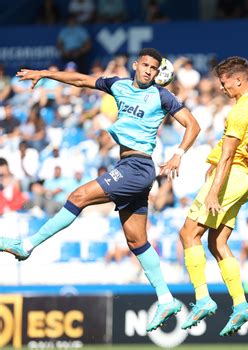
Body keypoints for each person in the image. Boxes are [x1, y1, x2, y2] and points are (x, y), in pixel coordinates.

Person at [0, 48, 201, 331]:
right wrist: (46, 74)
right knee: (136, 241)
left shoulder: (161, 95)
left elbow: (193, 124)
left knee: (77, 196)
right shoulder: (118, 85)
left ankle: (27, 245)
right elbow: (82, 80)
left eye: (153, 69)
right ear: (136, 65)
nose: (148, 71)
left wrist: (179, 153)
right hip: (130, 165)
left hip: (138, 167)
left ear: (158, 73)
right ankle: (166, 299)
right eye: (145, 65)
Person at [178, 56, 248, 336]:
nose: (222, 88)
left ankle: (202, 298)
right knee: (218, 241)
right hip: (245, 179)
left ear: (238, 80)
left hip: (230, 177)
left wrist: (214, 190)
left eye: (225, 82)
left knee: (188, 234)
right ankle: (241, 305)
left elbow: (227, 156)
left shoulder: (239, 111)